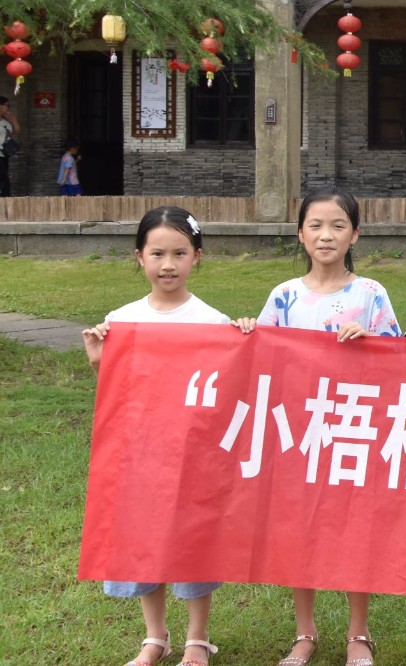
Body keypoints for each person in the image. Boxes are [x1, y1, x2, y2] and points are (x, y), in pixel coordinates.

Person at [81, 206, 247, 666]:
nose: (168, 264)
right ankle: (155, 636)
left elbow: (230, 389)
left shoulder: (213, 322)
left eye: (179, 253)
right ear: (139, 256)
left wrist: (244, 338)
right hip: (139, 455)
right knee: (141, 538)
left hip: (193, 456)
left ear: (197, 257)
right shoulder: (122, 320)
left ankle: (197, 637)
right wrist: (99, 361)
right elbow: (117, 395)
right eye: (157, 254)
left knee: (192, 539)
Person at [251, 187, 400, 666]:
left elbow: (398, 359)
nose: (326, 235)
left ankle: (359, 633)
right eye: (315, 225)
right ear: (300, 233)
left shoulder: (371, 293)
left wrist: (371, 340)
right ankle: (305, 632)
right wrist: (245, 332)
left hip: (354, 429)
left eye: (338, 225)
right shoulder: (284, 296)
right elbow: (260, 354)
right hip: (298, 431)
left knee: (355, 527)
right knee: (300, 528)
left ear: (355, 234)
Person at [0, 94, 18, 196]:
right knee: (3, 179)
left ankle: (5, 198)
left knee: (4, 178)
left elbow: (16, 131)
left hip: (4, 155)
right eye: (7, 105)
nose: (8, 108)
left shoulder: (5, 122)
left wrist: (13, 119)